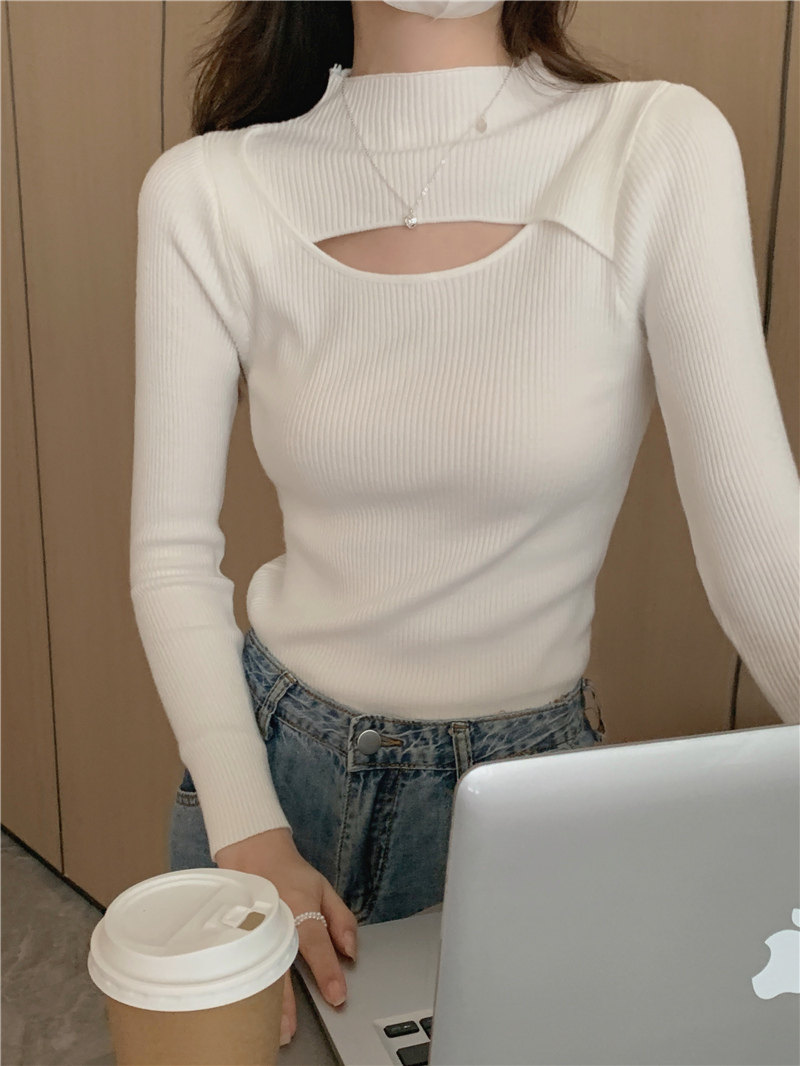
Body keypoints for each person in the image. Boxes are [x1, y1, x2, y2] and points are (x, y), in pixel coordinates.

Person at [129, 0, 800, 1047]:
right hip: (269, 776)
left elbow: (763, 563)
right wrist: (250, 833)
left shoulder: (652, 145)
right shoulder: (206, 189)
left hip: (527, 804)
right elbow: (173, 556)